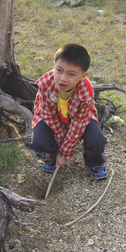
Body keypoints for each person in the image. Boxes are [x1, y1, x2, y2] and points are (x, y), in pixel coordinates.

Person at [30, 43, 108, 180]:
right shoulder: (46, 85)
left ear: (84, 75)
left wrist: (65, 153)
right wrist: (61, 151)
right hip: (51, 117)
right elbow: (49, 117)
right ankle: (52, 157)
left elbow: (79, 123)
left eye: (71, 74)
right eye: (59, 70)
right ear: (53, 65)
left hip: (78, 117)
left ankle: (95, 161)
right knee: (38, 142)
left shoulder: (85, 92)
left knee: (96, 139)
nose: (63, 78)